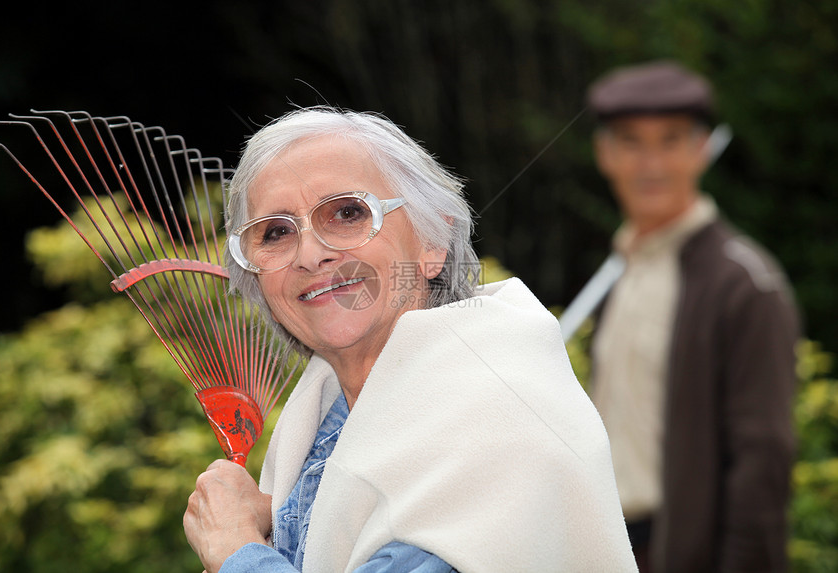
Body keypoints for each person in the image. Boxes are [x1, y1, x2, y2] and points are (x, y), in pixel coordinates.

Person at [183, 107, 637, 572]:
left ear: (432, 242)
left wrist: (236, 550)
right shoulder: (323, 423)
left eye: (347, 212)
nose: (311, 254)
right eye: (276, 231)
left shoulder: (495, 413)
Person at [585, 60, 801, 572]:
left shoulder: (744, 284)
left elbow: (762, 460)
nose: (651, 164)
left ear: (702, 149)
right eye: (632, 142)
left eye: (671, 141)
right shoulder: (622, 271)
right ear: (604, 154)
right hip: (612, 549)